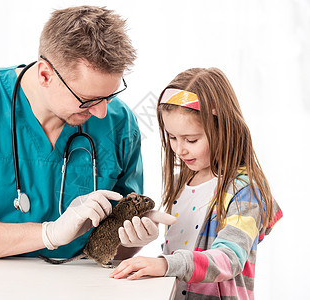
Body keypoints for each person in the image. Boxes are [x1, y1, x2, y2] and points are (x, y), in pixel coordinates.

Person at [0, 5, 174, 259]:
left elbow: (111, 249)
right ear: (45, 74)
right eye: (88, 99)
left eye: (109, 96)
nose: (102, 113)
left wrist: (133, 239)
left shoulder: (119, 122)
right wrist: (48, 234)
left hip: (78, 285)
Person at [110, 67, 283, 299]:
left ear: (223, 129)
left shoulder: (245, 191)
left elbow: (229, 258)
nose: (180, 149)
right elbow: (179, 249)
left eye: (191, 139)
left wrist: (165, 265)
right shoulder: (186, 181)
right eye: (172, 137)